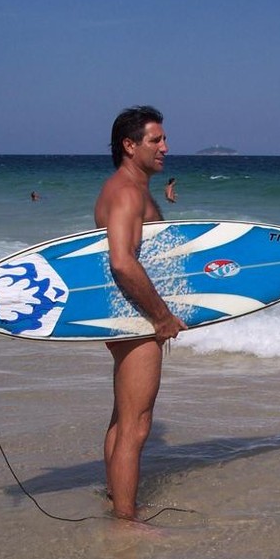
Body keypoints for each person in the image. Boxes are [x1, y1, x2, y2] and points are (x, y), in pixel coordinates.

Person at [94, 105, 187, 521]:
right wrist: (161, 317)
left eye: (164, 139)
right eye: (156, 140)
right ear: (130, 146)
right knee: (138, 424)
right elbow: (121, 261)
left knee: (123, 416)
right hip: (136, 319)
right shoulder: (127, 193)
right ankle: (126, 524)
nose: (165, 147)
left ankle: (118, 497)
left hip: (127, 315)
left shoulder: (130, 188)